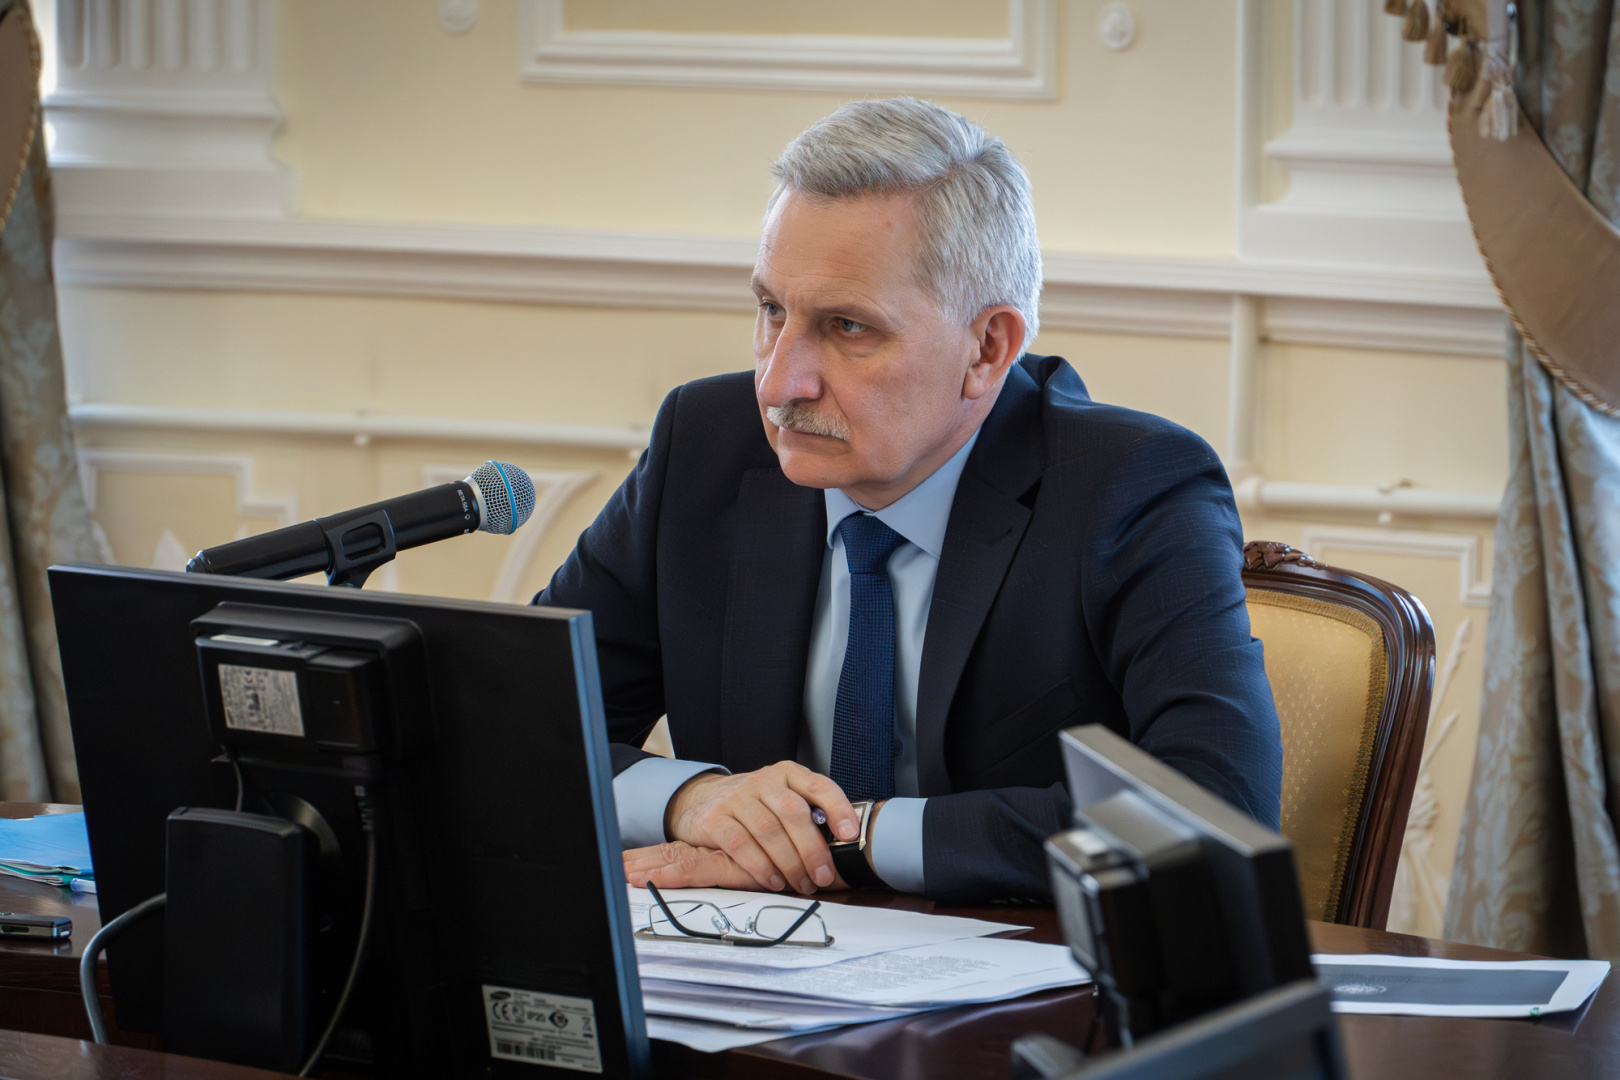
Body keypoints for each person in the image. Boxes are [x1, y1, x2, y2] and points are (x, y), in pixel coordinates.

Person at [536, 98, 1281, 904]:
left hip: (1017, 971)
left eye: (848, 327)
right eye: (772, 311)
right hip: (743, 962)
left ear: (987, 348)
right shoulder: (706, 446)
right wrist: (691, 800)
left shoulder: (1130, 486)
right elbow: (511, 719)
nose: (779, 382)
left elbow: (1211, 811)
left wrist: (847, 840)